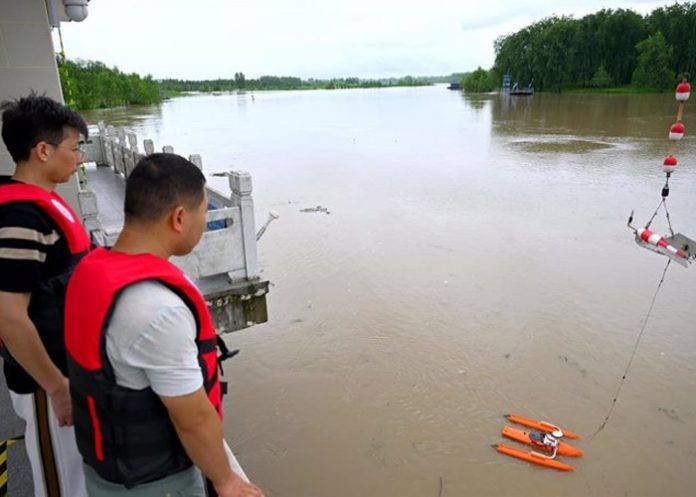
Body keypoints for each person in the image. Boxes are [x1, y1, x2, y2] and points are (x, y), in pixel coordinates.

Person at [64, 153, 264, 497]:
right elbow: (193, 418)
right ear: (180, 218)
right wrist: (226, 480)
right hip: (157, 484)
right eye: (204, 212)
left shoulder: (90, 272)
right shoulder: (159, 310)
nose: (204, 222)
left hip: (105, 474)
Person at [0, 94, 90, 497]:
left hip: (64, 366)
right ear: (42, 150)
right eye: (74, 148)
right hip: (44, 381)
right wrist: (55, 387)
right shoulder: (20, 219)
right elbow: (7, 315)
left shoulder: (40, 207)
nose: (80, 158)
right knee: (60, 481)